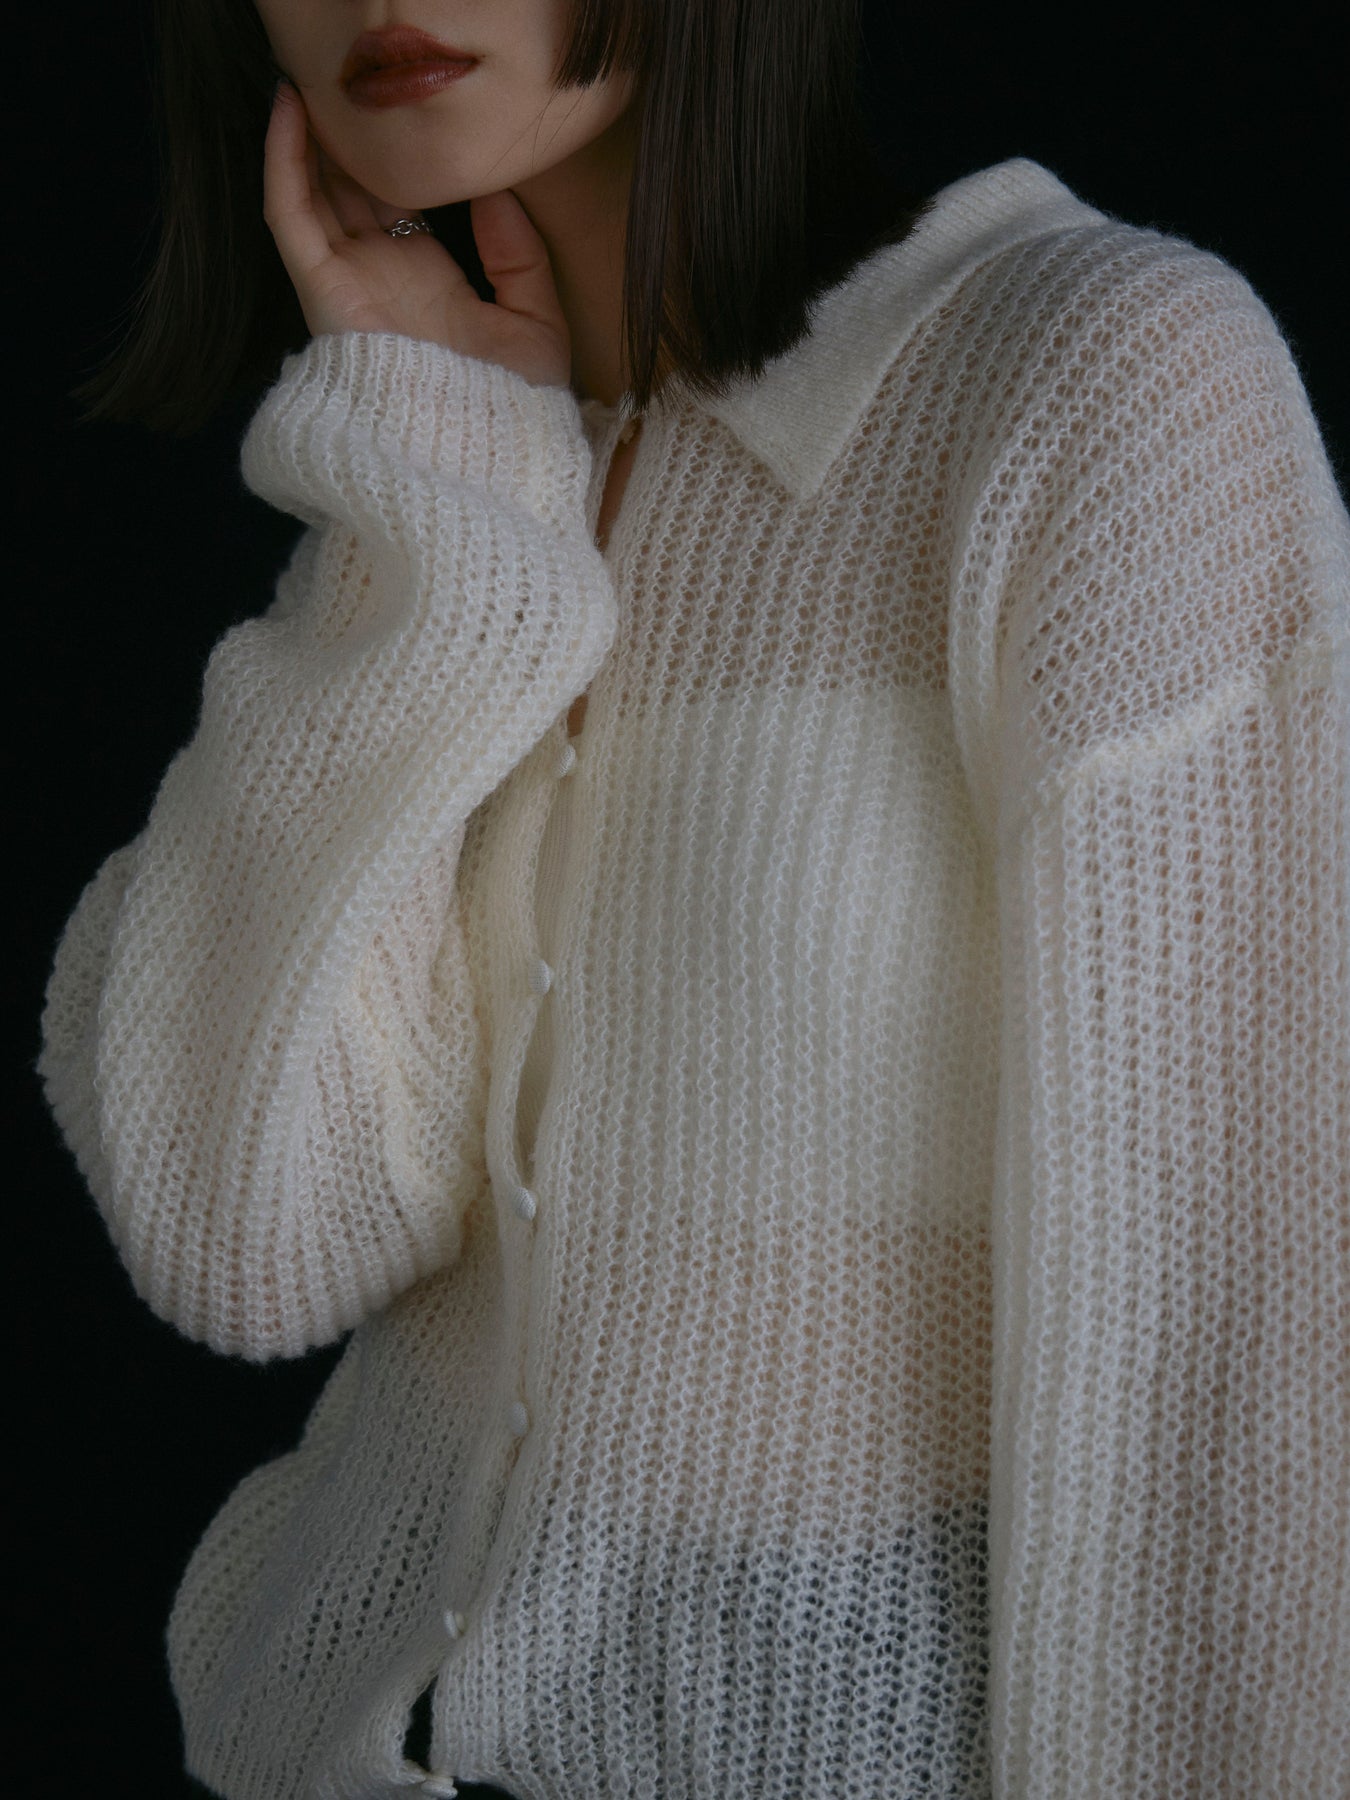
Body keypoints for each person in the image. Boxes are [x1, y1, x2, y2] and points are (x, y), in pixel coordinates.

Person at [38, 0, 1348, 1795]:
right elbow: (247, 1239)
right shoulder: (453, 472)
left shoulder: (1093, 383)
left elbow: (1236, 1361)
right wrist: (435, 503)